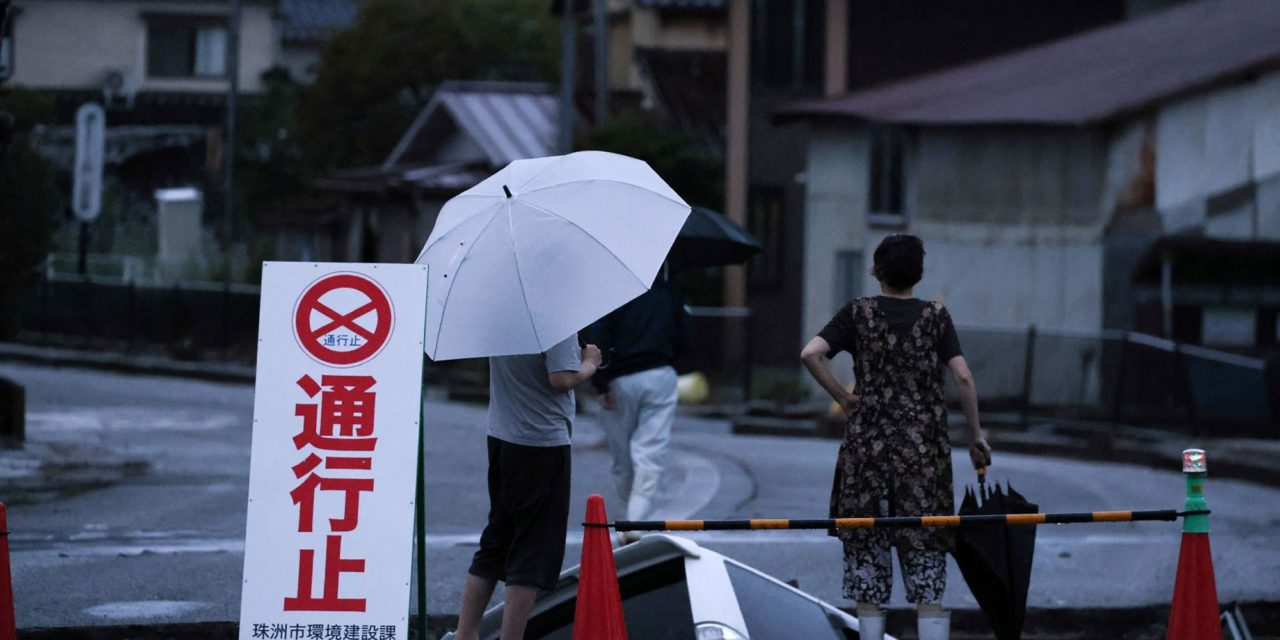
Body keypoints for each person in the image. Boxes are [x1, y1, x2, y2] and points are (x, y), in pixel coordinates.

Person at [800, 234, 990, 640]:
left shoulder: (858, 314)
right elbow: (964, 377)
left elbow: (810, 353)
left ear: (877, 271)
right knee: (925, 547)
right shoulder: (936, 317)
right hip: (923, 454)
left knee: (867, 547)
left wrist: (843, 397)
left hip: (867, 449)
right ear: (918, 275)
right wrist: (976, 438)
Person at [451, 335, 602, 640]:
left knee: (497, 539)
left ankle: (465, 633)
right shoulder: (555, 322)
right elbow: (560, 379)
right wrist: (589, 364)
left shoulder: (505, 317)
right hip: (541, 443)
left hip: (502, 437)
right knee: (533, 548)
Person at [588, 278, 692, 537]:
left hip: (619, 378)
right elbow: (687, 339)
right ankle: (635, 519)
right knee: (650, 449)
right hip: (660, 372)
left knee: (622, 454)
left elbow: (596, 337)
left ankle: (629, 517)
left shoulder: (613, 291)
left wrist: (601, 383)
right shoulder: (670, 292)